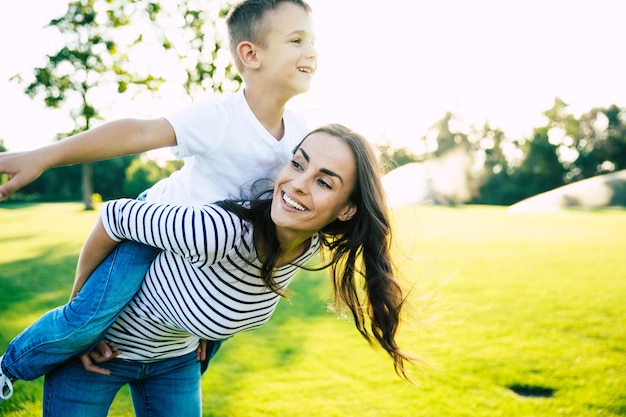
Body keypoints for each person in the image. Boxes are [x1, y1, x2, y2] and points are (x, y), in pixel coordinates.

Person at [0, 0, 317, 402]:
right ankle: (7, 368)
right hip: (148, 234)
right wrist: (42, 156)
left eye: (313, 41)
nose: (311, 51)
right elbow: (138, 133)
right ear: (250, 54)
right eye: (296, 40)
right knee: (85, 321)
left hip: (203, 256)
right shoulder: (220, 117)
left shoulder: (301, 132)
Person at [41, 124, 414, 416]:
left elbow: (243, 290)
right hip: (100, 354)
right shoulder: (217, 229)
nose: (298, 184)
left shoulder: (306, 245)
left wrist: (208, 330)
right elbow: (113, 216)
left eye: (323, 181)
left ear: (347, 209)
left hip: (175, 361)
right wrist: (81, 325)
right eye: (298, 163)